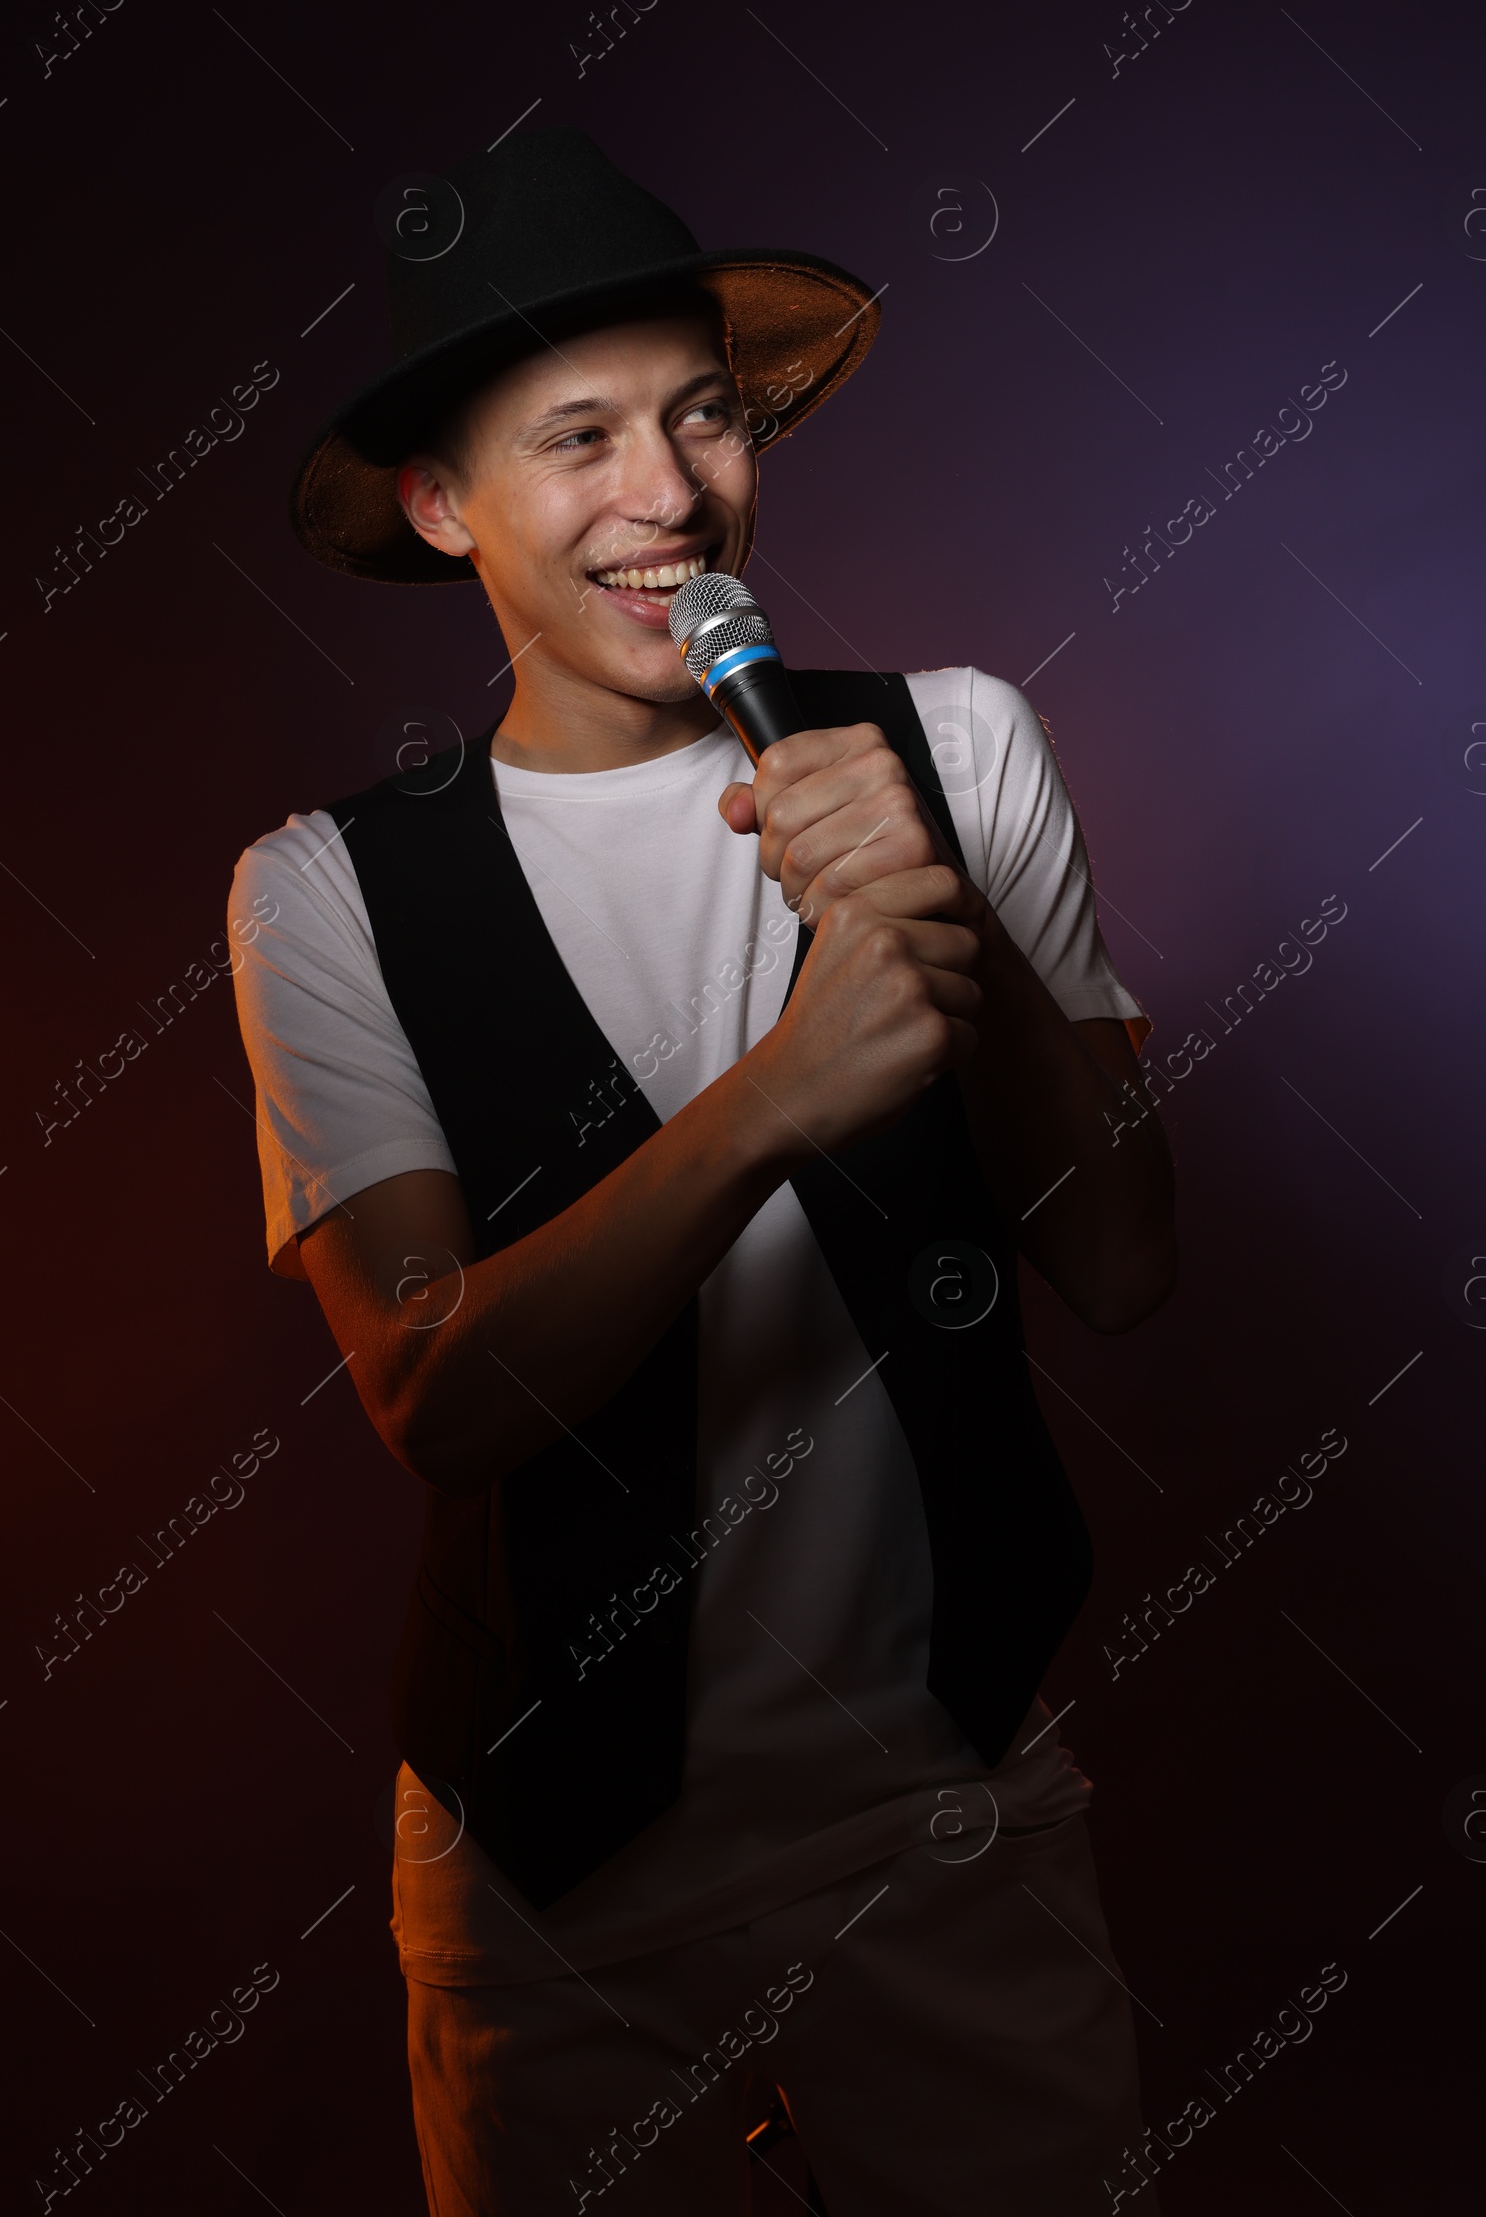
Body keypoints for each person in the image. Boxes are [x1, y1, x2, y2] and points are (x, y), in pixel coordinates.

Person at [229, 127, 1174, 2215]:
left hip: (946, 1819)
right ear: (443, 506)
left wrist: (946, 917)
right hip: (554, 1882)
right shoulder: (321, 892)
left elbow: (1114, 1259)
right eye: (575, 439)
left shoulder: (957, 739)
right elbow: (433, 1393)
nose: (666, 497)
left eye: (702, 417)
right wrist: (775, 1090)